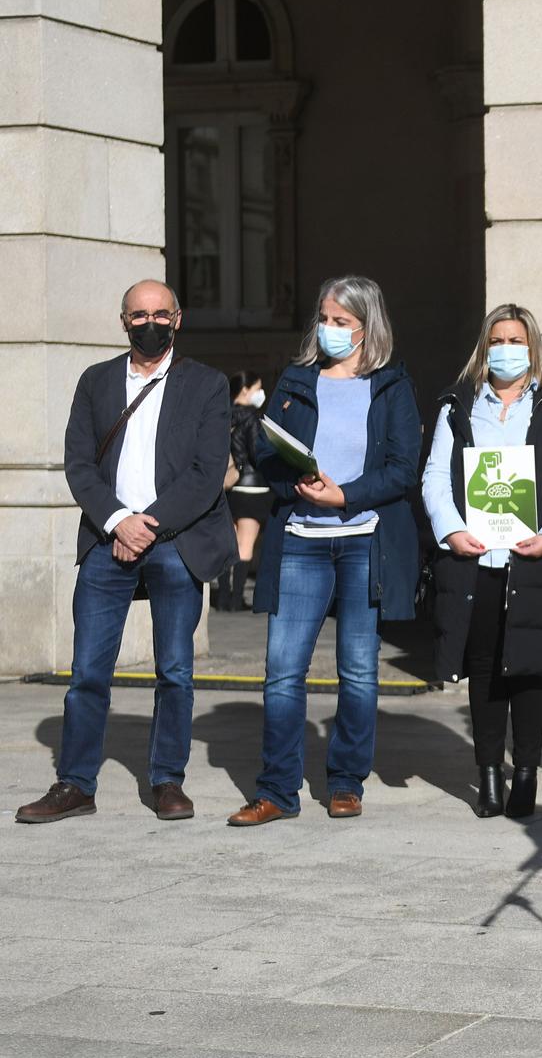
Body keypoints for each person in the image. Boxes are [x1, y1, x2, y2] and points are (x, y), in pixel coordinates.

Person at [16, 281, 233, 824]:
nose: (150, 322)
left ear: (177, 319)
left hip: (174, 540)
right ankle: (75, 784)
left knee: (175, 670)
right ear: (123, 322)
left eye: (160, 314)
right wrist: (118, 521)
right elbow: (78, 464)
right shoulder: (96, 382)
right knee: (88, 669)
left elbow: (208, 474)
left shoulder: (205, 384)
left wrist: (149, 525)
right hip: (106, 537)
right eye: (139, 315)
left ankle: (167, 781)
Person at [230, 277, 422, 826]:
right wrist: (297, 488)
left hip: (365, 541)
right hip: (300, 542)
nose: (329, 329)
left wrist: (346, 495)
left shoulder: (391, 385)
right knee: (282, 671)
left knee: (359, 669)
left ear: (367, 327)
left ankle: (345, 783)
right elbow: (267, 457)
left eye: (341, 322)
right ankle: (277, 791)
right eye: (325, 318)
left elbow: (403, 468)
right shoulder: (296, 380)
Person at [424, 304, 542, 819]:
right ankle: (488, 774)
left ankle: (526, 772)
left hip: (533, 559)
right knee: (483, 671)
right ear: (484, 346)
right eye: (497, 339)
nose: (505, 348)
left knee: (528, 670)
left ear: (532, 345)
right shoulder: (457, 405)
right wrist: (451, 530)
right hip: (475, 561)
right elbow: (434, 476)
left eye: (515, 339)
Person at [218, 371, 271, 612]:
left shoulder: (222, 416)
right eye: (257, 388)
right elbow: (257, 452)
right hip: (253, 487)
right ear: (245, 390)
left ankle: (222, 597)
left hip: (230, 487)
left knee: (229, 543)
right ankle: (235, 599)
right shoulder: (252, 418)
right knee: (245, 545)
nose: (261, 393)